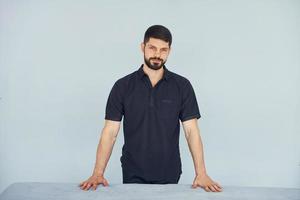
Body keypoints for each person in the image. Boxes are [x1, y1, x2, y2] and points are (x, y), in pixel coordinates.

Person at [79, 25, 222, 192]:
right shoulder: (122, 86)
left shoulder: (182, 86)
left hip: (170, 172)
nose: (157, 54)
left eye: (163, 50)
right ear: (142, 47)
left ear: (169, 51)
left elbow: (192, 132)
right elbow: (110, 132)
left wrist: (202, 173)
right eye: (152, 48)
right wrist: (97, 172)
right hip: (132, 172)